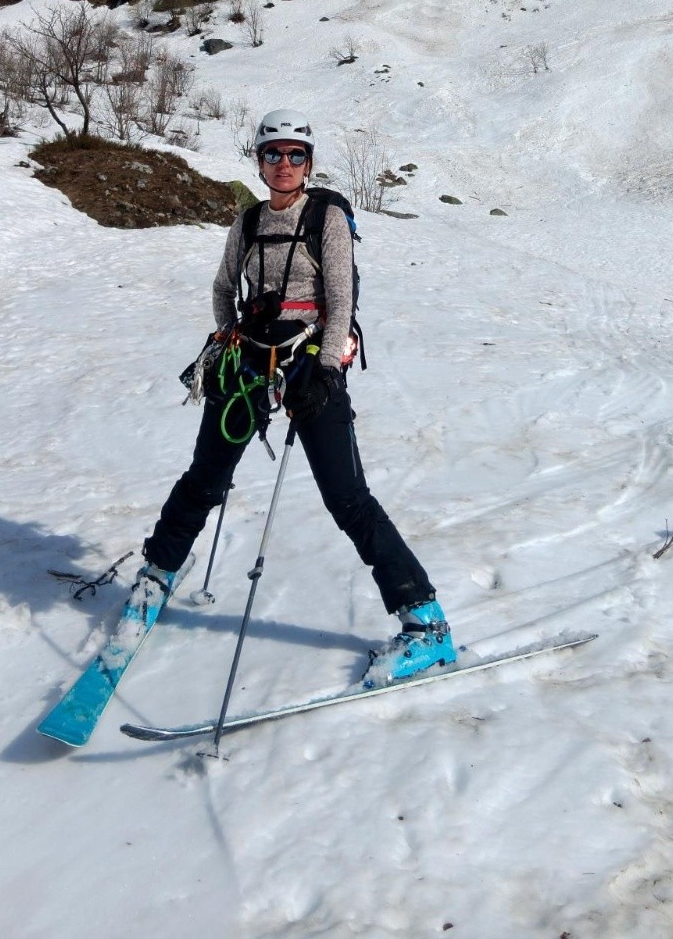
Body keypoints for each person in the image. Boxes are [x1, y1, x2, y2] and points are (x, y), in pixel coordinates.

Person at [141, 107, 453, 684]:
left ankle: (425, 621)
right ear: (258, 160)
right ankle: (157, 572)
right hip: (249, 362)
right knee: (205, 476)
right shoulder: (248, 221)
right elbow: (221, 285)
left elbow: (340, 296)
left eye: (295, 155)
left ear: (309, 163)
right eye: (272, 154)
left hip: (311, 364)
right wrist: (226, 332)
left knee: (346, 496)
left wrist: (329, 367)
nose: (283, 164)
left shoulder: (327, 216)